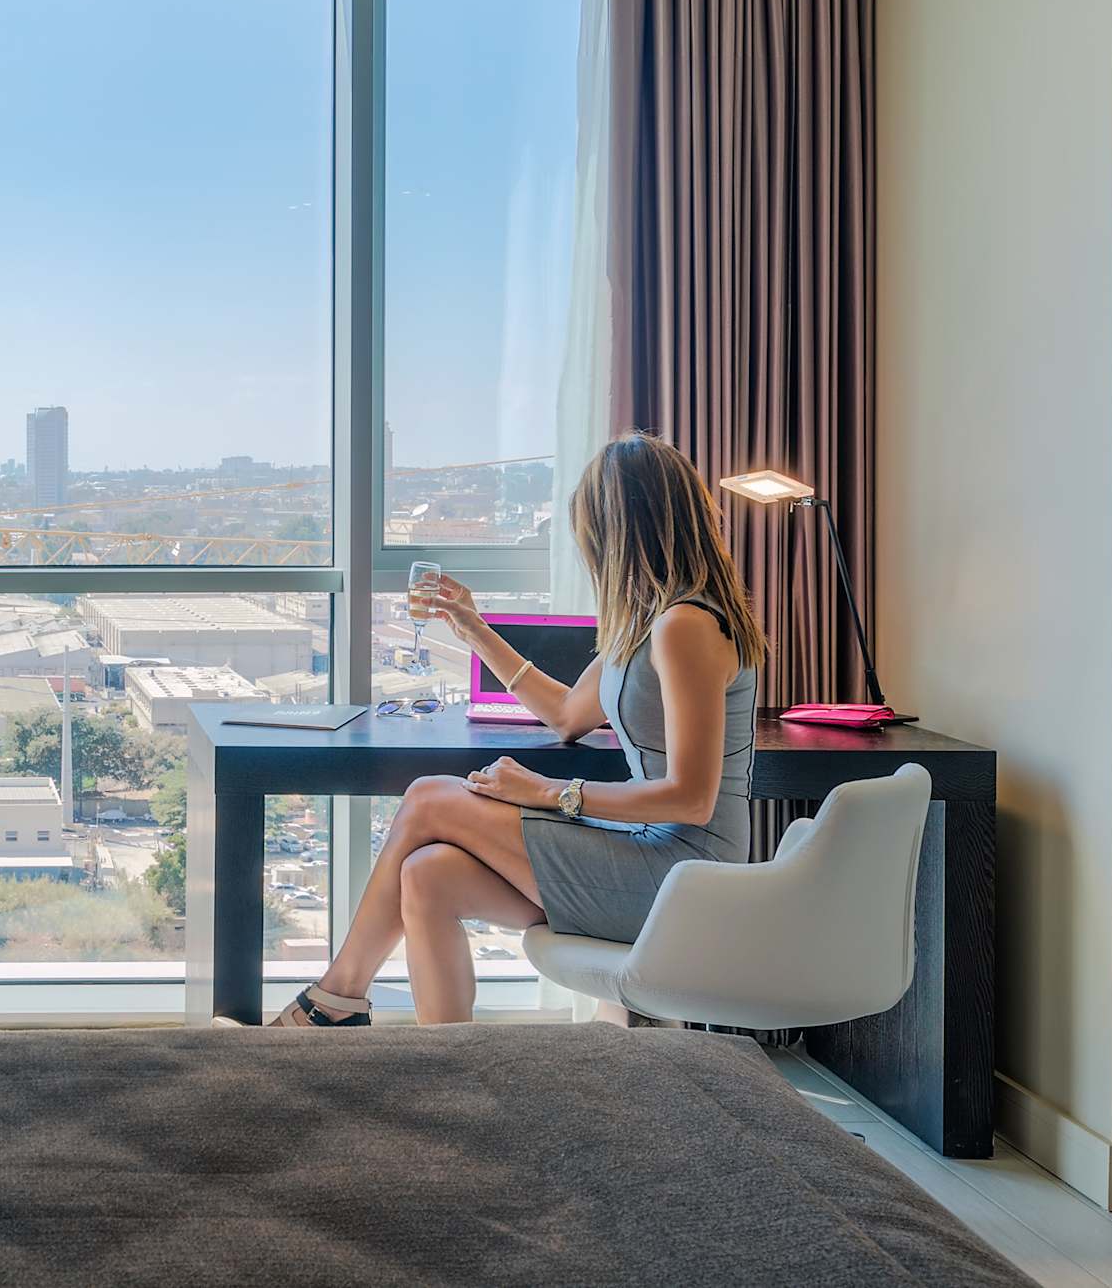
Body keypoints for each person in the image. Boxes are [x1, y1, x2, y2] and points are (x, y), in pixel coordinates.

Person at [270, 432, 767, 1028]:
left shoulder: (685, 625)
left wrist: (548, 792)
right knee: (427, 873)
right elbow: (567, 714)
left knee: (429, 797)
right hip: (647, 850)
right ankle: (451, 1062)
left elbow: (691, 799)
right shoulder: (648, 620)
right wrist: (474, 628)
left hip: (683, 874)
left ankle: (336, 998)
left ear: (617, 530)